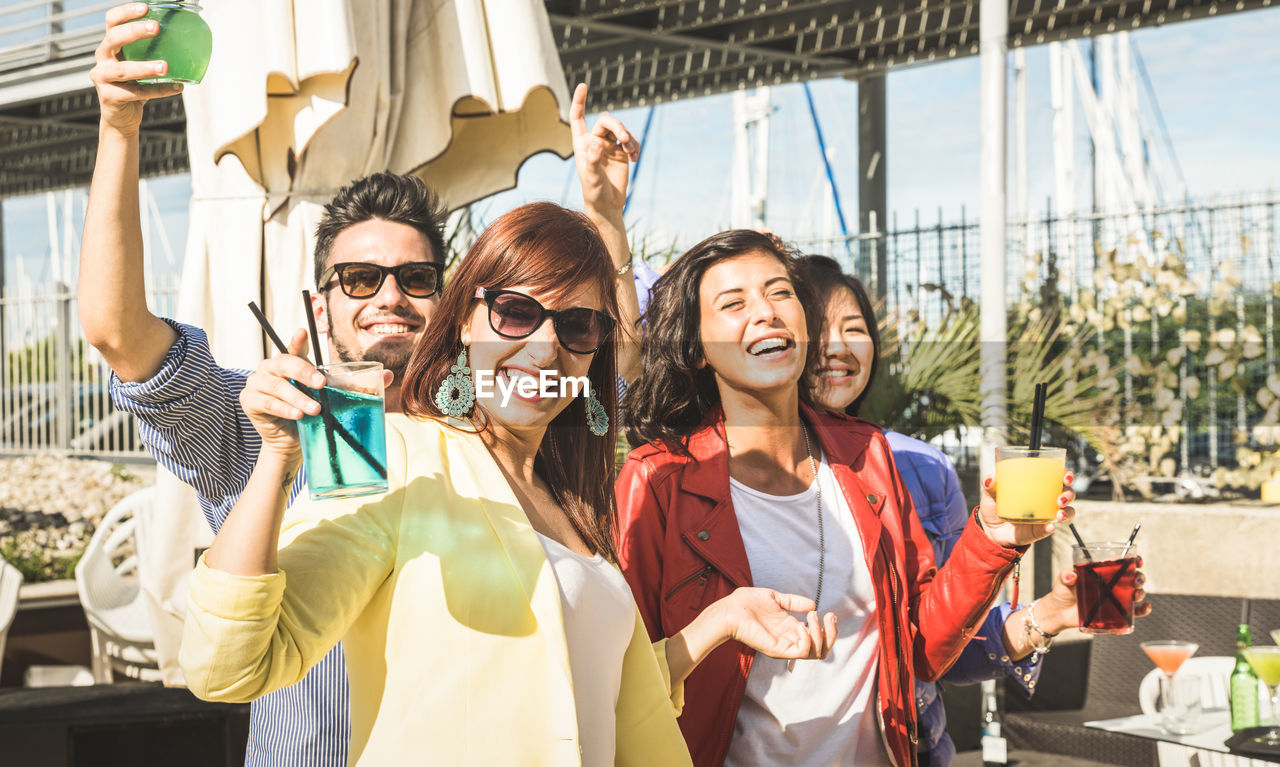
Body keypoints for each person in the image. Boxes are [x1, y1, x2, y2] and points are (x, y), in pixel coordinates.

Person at [77, 5, 640, 765]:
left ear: (446, 302)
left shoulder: (485, 436)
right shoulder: (265, 416)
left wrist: (605, 222)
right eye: (359, 277)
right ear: (320, 304)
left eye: (414, 277)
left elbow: (600, 363)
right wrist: (117, 125)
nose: (388, 296)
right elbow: (117, 331)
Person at [179, 202, 833, 766]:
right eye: (517, 312)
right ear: (465, 319)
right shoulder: (394, 450)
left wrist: (721, 619)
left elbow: (583, 698)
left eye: (578, 326)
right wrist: (275, 459)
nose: (546, 347)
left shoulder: (578, 510)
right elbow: (228, 662)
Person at [615, 230, 1076, 767]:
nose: (765, 312)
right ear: (696, 349)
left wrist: (991, 540)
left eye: (779, 292)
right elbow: (625, 683)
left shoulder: (868, 454)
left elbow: (922, 649)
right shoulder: (659, 480)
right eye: (733, 302)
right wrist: (719, 623)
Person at [796, 255, 1151, 766]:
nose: (838, 345)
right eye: (817, 328)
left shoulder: (921, 466)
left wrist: (1050, 614)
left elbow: (936, 649)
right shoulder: (732, 469)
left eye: (854, 328)